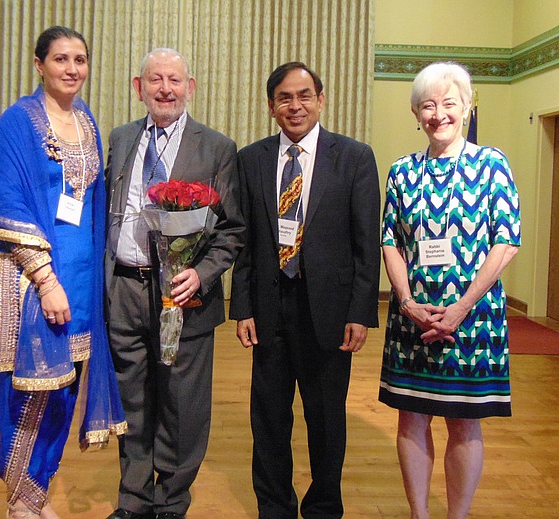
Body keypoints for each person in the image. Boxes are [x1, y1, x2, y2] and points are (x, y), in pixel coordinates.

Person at [0, 26, 127, 519]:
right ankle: (19, 499)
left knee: (64, 391)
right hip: (31, 279)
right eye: (61, 59)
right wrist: (46, 280)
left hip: (81, 279)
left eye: (80, 59)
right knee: (29, 392)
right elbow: (4, 203)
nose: (72, 69)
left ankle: (37, 494)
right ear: (39, 65)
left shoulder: (87, 122)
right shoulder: (17, 122)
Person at [230, 62, 381, 519]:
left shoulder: (354, 157)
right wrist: (243, 307)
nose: (295, 106)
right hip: (270, 309)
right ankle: (274, 507)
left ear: (320, 99)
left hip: (330, 314)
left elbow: (364, 244)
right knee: (270, 422)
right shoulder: (251, 159)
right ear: (271, 105)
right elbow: (246, 239)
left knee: (326, 421)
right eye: (284, 98)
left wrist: (361, 311)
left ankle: (322, 508)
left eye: (304, 95)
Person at [104, 48, 244, 519]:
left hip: (183, 297)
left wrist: (201, 274)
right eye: (155, 80)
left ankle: (171, 503)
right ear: (137, 86)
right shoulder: (121, 139)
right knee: (132, 402)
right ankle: (134, 500)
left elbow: (232, 230)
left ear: (191, 86)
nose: (165, 88)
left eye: (175, 80)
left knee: (182, 406)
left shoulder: (217, 148)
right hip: (124, 290)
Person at [379, 61, 521, 519]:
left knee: (464, 423)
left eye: (448, 103)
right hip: (413, 316)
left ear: (467, 107)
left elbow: (506, 241)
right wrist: (405, 301)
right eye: (427, 105)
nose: (438, 114)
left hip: (473, 319)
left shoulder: (491, 163)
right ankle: (420, 515)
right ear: (416, 113)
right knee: (412, 417)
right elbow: (390, 241)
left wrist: (460, 308)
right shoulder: (402, 171)